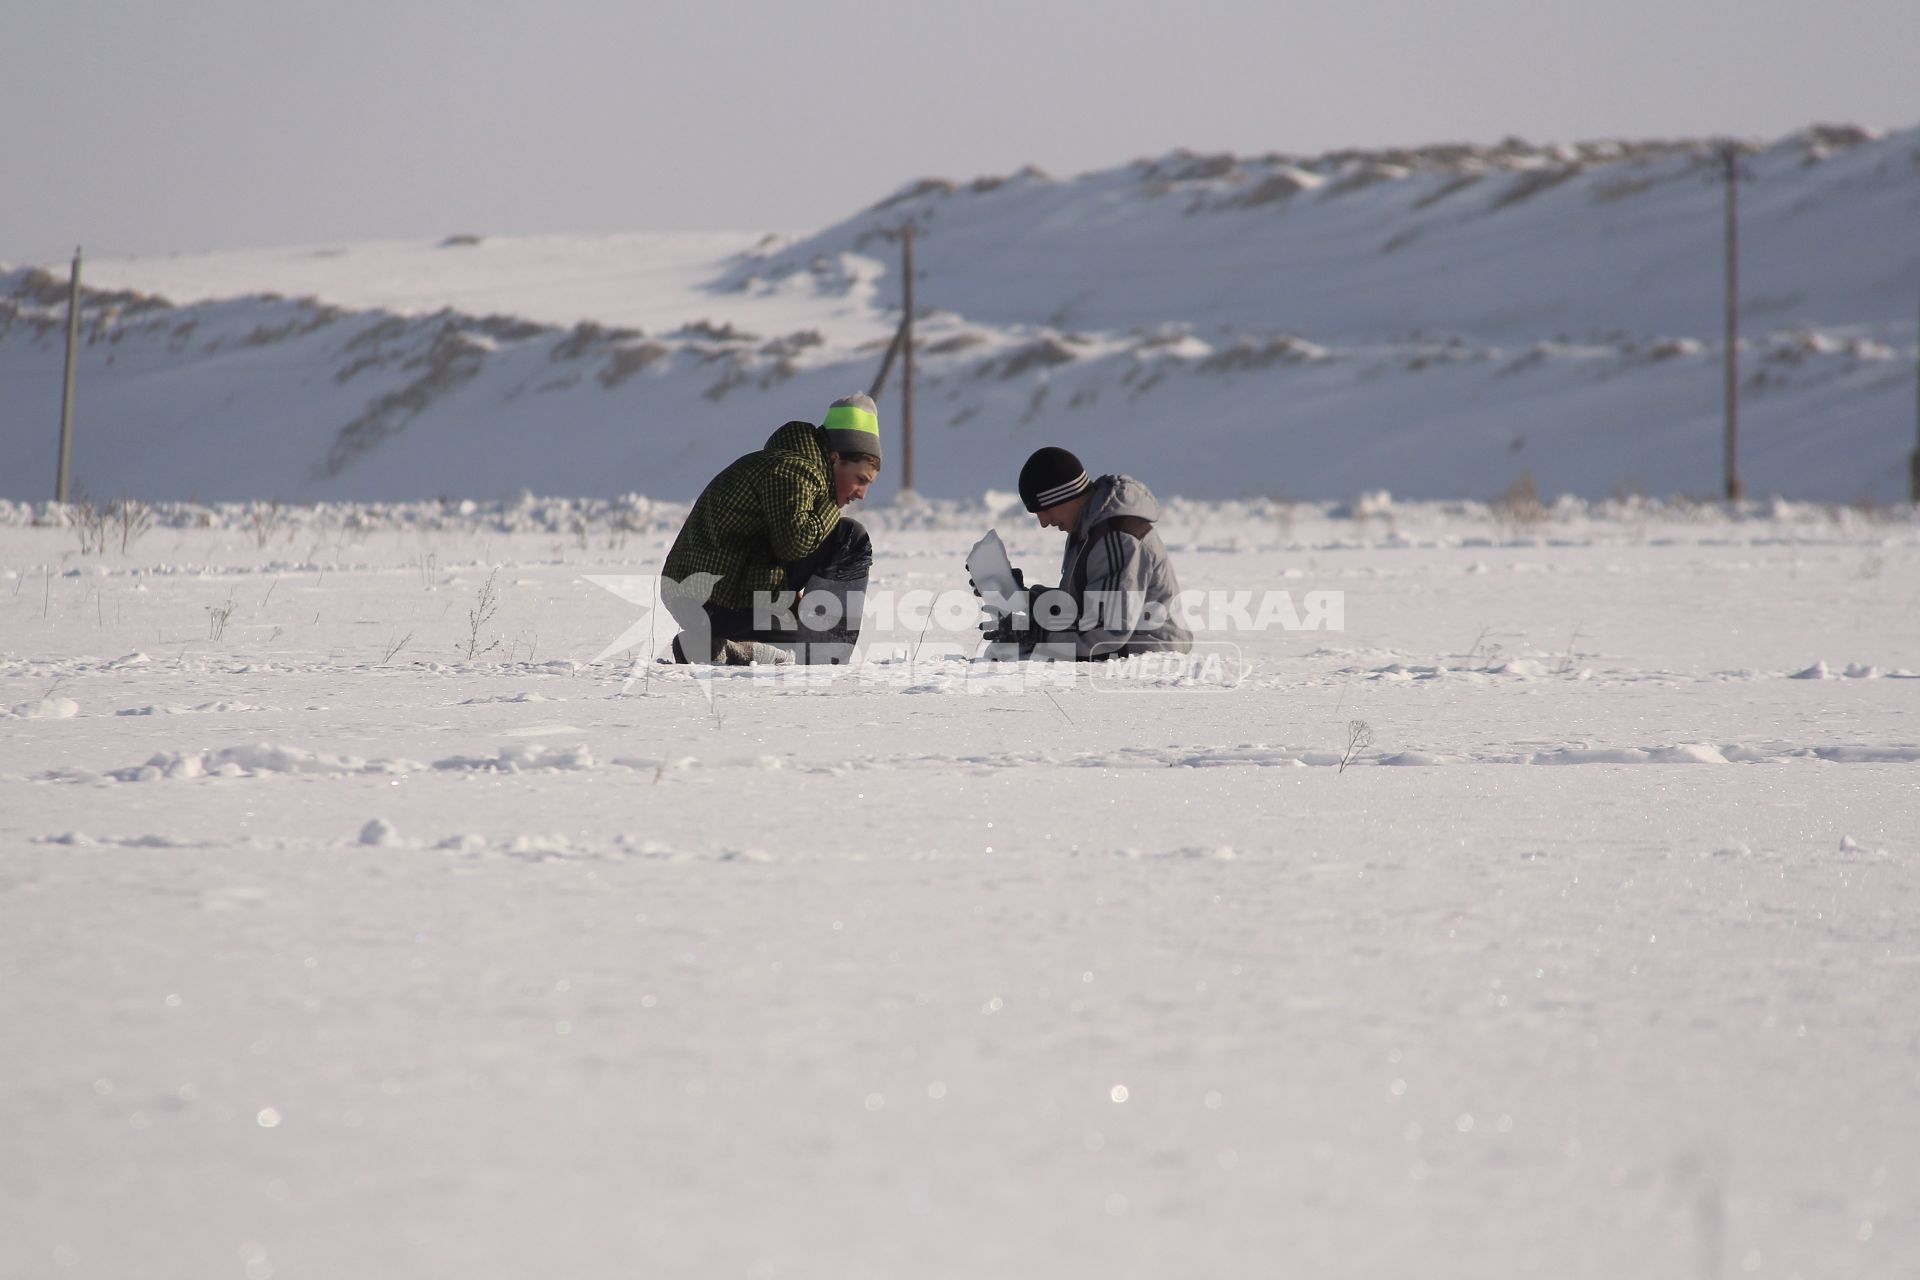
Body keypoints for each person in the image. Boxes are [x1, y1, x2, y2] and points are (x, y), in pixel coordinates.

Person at [661, 394, 880, 665]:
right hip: (718, 600)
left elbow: (777, 548)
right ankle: (824, 656)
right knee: (849, 538)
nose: (861, 494)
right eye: (861, 480)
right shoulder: (795, 470)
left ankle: (723, 647)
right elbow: (795, 543)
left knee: (792, 635)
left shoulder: (785, 464)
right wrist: (830, 508)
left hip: (711, 598)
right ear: (835, 459)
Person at [982, 446, 1192, 660]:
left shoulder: (1117, 535)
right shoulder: (1088, 529)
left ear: (1063, 495)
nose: (1044, 522)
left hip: (1148, 657)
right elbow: (1080, 608)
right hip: (1118, 650)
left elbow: (1107, 630)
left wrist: (1038, 635)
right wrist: (1027, 599)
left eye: (1043, 510)